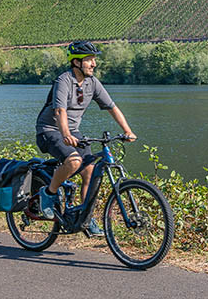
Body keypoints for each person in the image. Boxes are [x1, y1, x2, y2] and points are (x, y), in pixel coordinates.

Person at [35, 40, 136, 236]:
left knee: (89, 170)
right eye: (89, 60)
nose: (94, 64)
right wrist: (65, 135)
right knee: (74, 161)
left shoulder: (92, 83)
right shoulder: (63, 81)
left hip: (72, 131)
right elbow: (59, 110)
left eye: (94, 60)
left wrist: (127, 130)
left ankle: (85, 218)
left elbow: (112, 107)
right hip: (49, 130)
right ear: (76, 62)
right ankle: (47, 194)